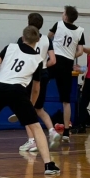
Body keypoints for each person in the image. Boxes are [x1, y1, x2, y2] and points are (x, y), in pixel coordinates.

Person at [0, 25, 60, 176]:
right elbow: (36, 89)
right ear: (38, 40)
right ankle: (48, 164)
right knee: (36, 127)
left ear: (23, 37)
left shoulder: (10, 47)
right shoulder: (38, 59)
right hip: (17, 91)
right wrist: (31, 106)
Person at [12, 13, 59, 152]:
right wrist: (42, 65)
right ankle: (52, 131)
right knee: (39, 108)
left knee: (27, 109)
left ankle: (32, 141)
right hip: (43, 74)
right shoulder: (47, 39)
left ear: (28, 23)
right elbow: (53, 60)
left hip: (28, 76)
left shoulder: (23, 39)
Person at [48, 5, 85, 142]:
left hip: (54, 61)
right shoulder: (80, 31)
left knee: (38, 84)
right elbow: (80, 51)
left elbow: (47, 39)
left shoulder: (58, 24)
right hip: (67, 63)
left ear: (65, 16)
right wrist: (70, 54)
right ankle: (66, 132)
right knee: (66, 101)